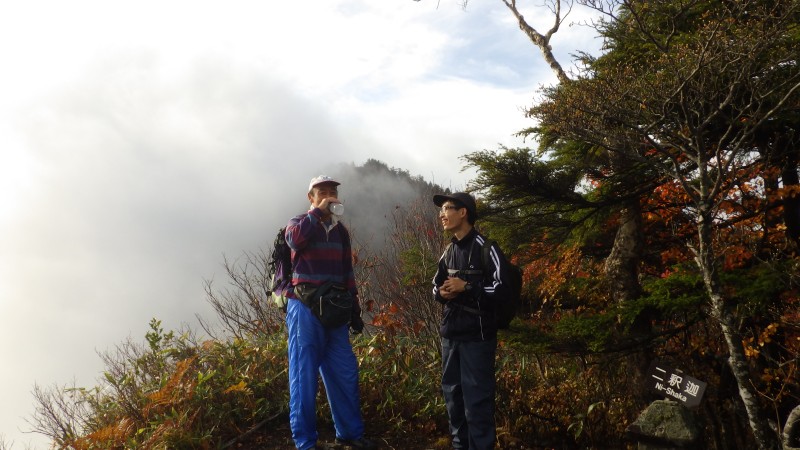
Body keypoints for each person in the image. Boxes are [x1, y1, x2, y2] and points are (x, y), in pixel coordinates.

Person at [284, 175, 376, 450]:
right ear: (311, 198)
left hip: (335, 310)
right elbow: (294, 242)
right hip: (304, 308)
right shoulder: (299, 223)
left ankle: (349, 434)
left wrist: (354, 307)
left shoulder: (341, 232)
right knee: (304, 376)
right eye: (322, 192)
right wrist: (317, 213)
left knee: (344, 372)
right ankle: (305, 443)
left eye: (333, 192)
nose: (329, 196)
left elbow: (347, 272)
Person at [432, 192, 510, 450]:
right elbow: (435, 286)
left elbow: (502, 289)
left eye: (447, 209)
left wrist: (467, 286)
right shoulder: (449, 250)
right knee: (453, 398)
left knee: (477, 402)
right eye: (441, 210)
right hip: (451, 335)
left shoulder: (487, 248)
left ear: (463, 212)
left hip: (478, 337)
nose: (442, 215)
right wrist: (441, 293)